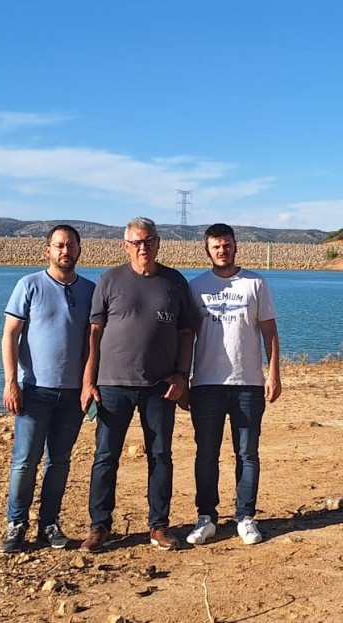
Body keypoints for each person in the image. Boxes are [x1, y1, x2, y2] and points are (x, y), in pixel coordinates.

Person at [79, 216, 201, 552]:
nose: (143, 247)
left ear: (158, 243)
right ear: (126, 246)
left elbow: (187, 333)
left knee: (161, 456)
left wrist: (182, 375)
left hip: (160, 386)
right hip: (112, 385)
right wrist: (88, 380)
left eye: (148, 241)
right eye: (136, 242)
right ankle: (99, 526)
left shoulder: (174, 282)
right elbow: (94, 334)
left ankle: (158, 525)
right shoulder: (110, 280)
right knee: (106, 456)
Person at [0, 224, 96, 553]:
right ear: (48, 251)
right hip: (35, 391)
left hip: (71, 394)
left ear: (80, 250)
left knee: (60, 461)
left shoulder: (90, 291)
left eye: (70, 245)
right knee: (25, 461)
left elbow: (92, 343)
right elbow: (10, 335)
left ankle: (49, 524)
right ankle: (16, 524)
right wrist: (11, 382)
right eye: (58, 246)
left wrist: (89, 384)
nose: (64, 251)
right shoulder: (29, 285)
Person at [185, 223, 281, 546]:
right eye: (215, 246)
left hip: (248, 384)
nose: (222, 250)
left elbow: (269, 332)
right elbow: (187, 337)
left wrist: (274, 374)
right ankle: (206, 518)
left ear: (235, 246)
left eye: (226, 245)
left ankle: (246, 517)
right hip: (206, 385)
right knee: (206, 454)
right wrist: (184, 378)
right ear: (207, 250)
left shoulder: (256, 283)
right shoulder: (196, 287)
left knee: (247, 453)